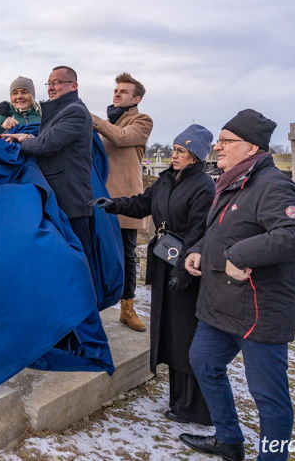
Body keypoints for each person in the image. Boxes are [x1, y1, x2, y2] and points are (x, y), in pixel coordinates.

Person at [180, 109, 295, 461]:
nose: (218, 147)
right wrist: (199, 249)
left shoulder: (272, 185)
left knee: (268, 396)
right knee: (203, 362)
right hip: (220, 306)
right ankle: (228, 439)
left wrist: (239, 255)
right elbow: (223, 229)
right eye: (219, 141)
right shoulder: (234, 181)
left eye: (226, 141)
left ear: (252, 147)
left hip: (258, 310)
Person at [92, 124, 214, 425]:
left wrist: (183, 274)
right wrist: (114, 205)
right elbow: (142, 204)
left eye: (182, 151)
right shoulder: (167, 180)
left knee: (185, 333)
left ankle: (194, 405)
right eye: (174, 149)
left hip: (186, 267)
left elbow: (199, 233)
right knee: (170, 331)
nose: (175, 155)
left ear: (197, 156)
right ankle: (178, 398)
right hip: (164, 263)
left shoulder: (203, 187)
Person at [0, 66, 93, 260]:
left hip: (69, 200)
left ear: (74, 86)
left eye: (57, 83)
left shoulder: (74, 111)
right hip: (58, 198)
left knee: (77, 259)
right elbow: (47, 140)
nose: (51, 87)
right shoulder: (60, 111)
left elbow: (46, 144)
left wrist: (20, 144)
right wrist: (28, 137)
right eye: (49, 83)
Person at [91, 72, 153, 331]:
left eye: (123, 91)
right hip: (102, 199)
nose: (117, 94)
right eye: (116, 90)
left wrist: (92, 120)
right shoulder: (107, 122)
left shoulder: (142, 121)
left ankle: (128, 308)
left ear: (136, 99)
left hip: (127, 200)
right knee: (98, 251)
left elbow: (122, 137)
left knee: (127, 255)